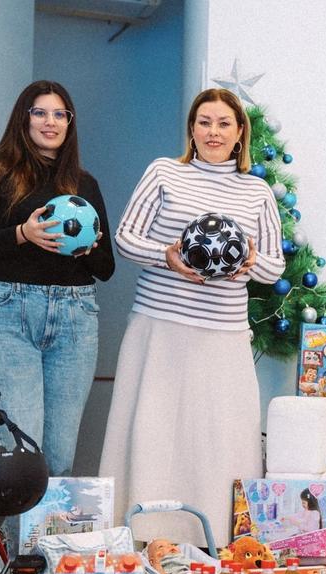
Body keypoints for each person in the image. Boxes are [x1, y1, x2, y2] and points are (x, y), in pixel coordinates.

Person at [99, 88, 285, 544]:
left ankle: (214, 538)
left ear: (240, 132)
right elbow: (124, 239)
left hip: (222, 335)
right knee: (153, 431)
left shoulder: (257, 191)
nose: (213, 131)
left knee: (218, 438)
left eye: (224, 123)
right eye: (204, 122)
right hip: (159, 327)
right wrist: (168, 255)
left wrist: (247, 263)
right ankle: (143, 535)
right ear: (191, 130)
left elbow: (274, 264)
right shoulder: (164, 172)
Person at [0, 80, 114, 479]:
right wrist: (22, 234)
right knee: (20, 454)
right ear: (23, 119)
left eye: (60, 114)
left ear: (69, 123)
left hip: (75, 317)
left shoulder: (84, 183)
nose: (50, 122)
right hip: (9, 313)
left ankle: (42, 544)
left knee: (58, 458)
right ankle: (9, 542)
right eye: (40, 112)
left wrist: (87, 247)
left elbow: (107, 267)